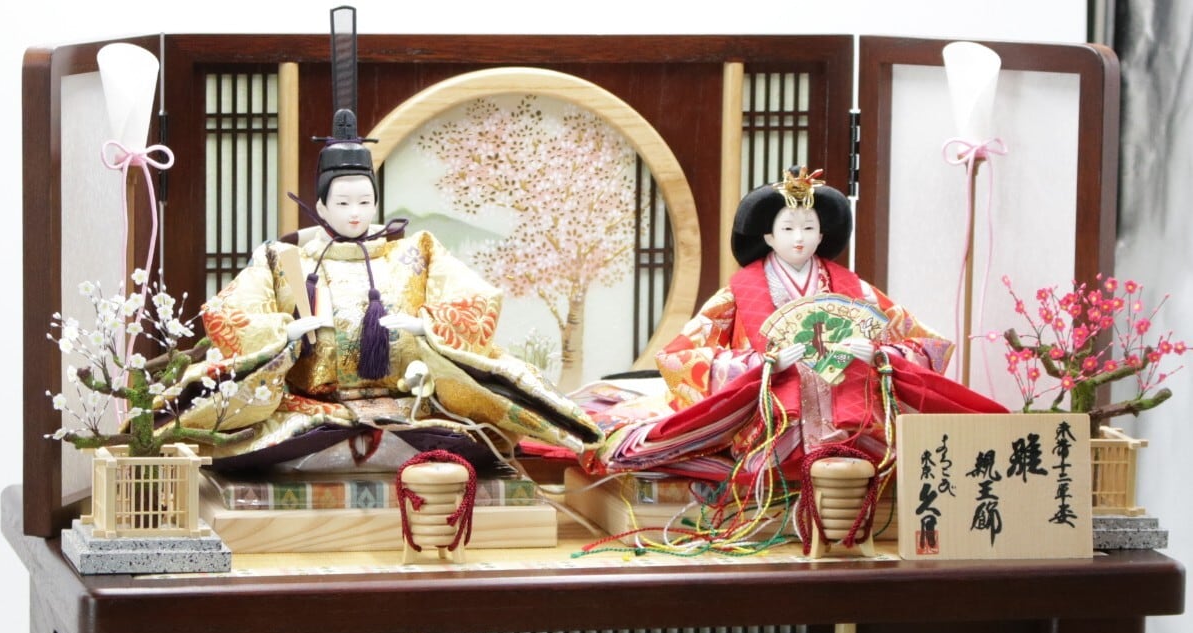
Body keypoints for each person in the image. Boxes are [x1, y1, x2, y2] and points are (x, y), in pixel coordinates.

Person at [177, 112, 600, 472]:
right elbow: (230, 313)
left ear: (376, 202)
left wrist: (427, 328)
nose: (355, 213)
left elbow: (476, 300)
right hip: (314, 408)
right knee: (262, 449)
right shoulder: (284, 259)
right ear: (321, 207)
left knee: (471, 445)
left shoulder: (417, 250)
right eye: (343, 203)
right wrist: (282, 332)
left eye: (364, 202)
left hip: (409, 406)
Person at [582, 168, 1002, 483]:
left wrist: (879, 355)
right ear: (768, 237)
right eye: (787, 228)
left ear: (822, 236)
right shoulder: (739, 293)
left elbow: (928, 345)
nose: (798, 237)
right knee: (646, 449)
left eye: (808, 228)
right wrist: (761, 363)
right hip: (770, 425)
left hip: (851, 428)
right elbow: (679, 357)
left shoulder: (856, 291)